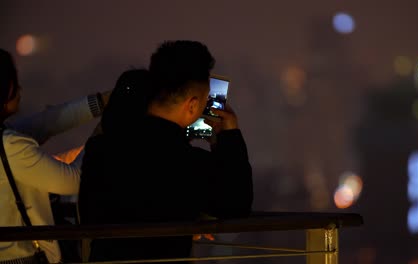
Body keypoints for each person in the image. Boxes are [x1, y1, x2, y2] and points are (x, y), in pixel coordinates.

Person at [78, 40, 253, 263]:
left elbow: (91, 215)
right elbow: (237, 204)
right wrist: (229, 136)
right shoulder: (188, 164)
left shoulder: (101, 148)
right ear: (191, 105)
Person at [0, 48, 109, 263]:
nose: (20, 89)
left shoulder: (8, 139)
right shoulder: (11, 145)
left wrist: (102, 102)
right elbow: (73, 181)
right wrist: (102, 132)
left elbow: (47, 122)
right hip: (22, 258)